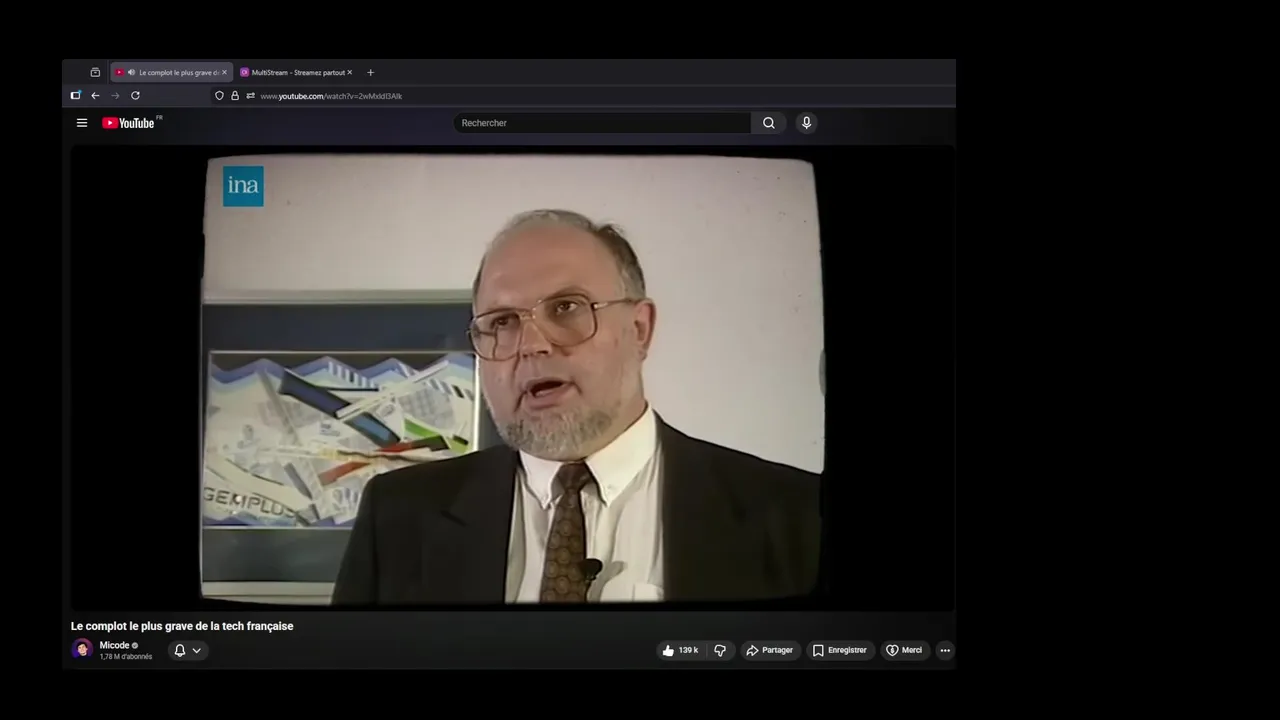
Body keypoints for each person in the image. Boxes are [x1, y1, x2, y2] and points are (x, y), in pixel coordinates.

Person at [333, 209, 820, 604]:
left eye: (566, 307)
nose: (531, 345)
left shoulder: (799, 515)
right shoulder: (397, 515)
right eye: (502, 322)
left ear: (640, 329)